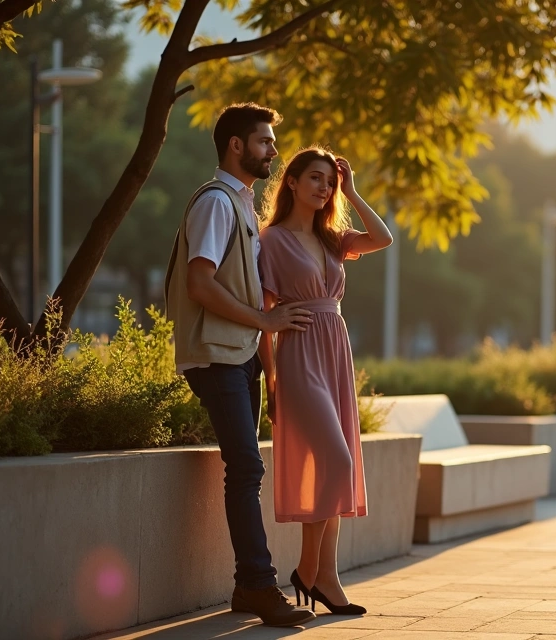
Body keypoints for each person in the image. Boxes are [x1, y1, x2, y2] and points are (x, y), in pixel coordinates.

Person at [164, 102, 316, 627]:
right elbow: (199, 283)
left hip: (240, 355)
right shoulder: (216, 204)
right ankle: (257, 584)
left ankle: (247, 587)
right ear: (236, 145)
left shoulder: (241, 205)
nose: (273, 149)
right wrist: (262, 320)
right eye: (264, 141)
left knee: (246, 468)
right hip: (218, 356)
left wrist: (268, 366)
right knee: (247, 467)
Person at [256, 147, 394, 615]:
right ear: (290, 182)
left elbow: (384, 238)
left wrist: (352, 190)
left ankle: (325, 578)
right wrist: (270, 385)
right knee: (336, 460)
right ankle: (308, 568)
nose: (323, 188)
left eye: (329, 182)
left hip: (335, 351)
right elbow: (263, 319)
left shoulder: (333, 238)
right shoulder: (271, 241)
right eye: (314, 178)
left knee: (337, 466)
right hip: (298, 356)